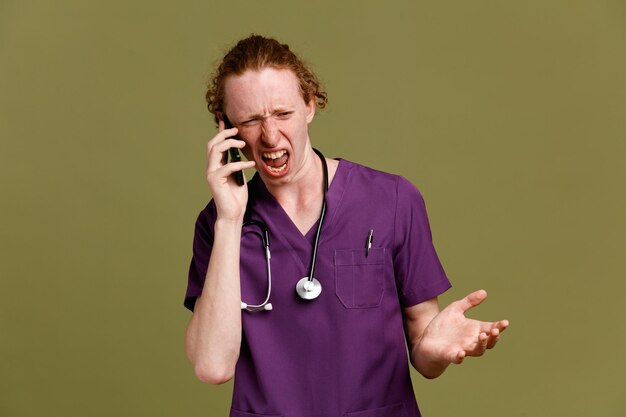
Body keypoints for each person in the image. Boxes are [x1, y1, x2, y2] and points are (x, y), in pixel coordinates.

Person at [184, 34, 509, 417]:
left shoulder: (392, 200)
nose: (270, 136)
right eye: (251, 120)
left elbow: (424, 350)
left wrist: (434, 350)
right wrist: (230, 219)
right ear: (226, 128)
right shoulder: (218, 224)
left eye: (283, 114)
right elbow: (212, 367)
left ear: (309, 105)